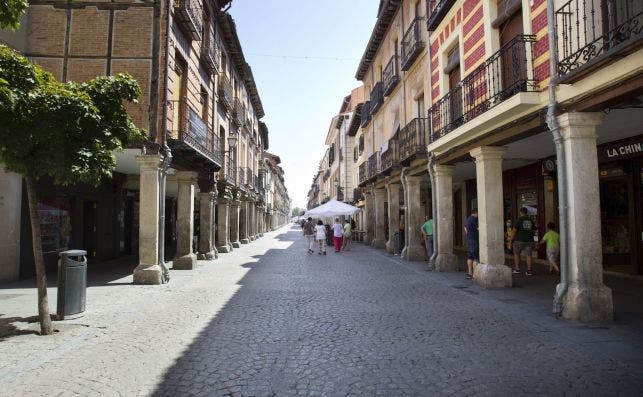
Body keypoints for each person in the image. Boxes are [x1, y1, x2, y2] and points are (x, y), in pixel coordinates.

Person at [510, 207, 536, 276]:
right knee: (529, 255)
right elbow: (533, 230)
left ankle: (517, 269)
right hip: (529, 240)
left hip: (519, 240)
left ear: (520, 212)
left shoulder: (519, 220)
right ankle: (529, 270)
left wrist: (511, 239)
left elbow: (514, 231)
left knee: (516, 254)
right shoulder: (531, 220)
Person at [464, 209, 479, 279]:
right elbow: (478, 228)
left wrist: (468, 234)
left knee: (470, 257)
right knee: (475, 257)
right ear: (476, 213)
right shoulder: (474, 219)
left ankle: (470, 273)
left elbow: (465, 228)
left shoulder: (468, 219)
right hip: (474, 240)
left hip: (469, 239)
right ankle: (475, 275)